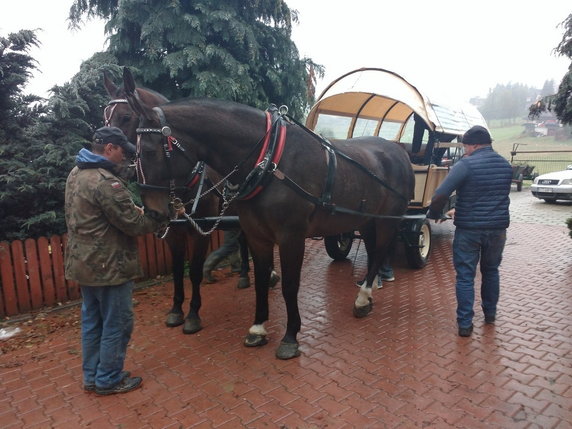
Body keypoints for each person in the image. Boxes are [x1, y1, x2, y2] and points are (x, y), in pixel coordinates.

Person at [65, 127, 168, 395]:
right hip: (109, 267)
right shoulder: (105, 183)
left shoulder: (76, 174)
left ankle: (91, 377)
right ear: (109, 148)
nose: (124, 158)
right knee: (117, 323)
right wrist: (161, 215)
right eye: (123, 151)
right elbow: (134, 225)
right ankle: (108, 379)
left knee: (92, 322)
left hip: (84, 264)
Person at [427, 125, 512, 337]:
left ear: (474, 144)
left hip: (469, 230)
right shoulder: (505, 165)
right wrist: (461, 207)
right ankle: (490, 314)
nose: (465, 150)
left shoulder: (466, 164)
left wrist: (435, 212)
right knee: (491, 271)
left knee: (465, 276)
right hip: (497, 229)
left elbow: (440, 194)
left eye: (466, 146)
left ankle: (465, 325)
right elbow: (488, 195)